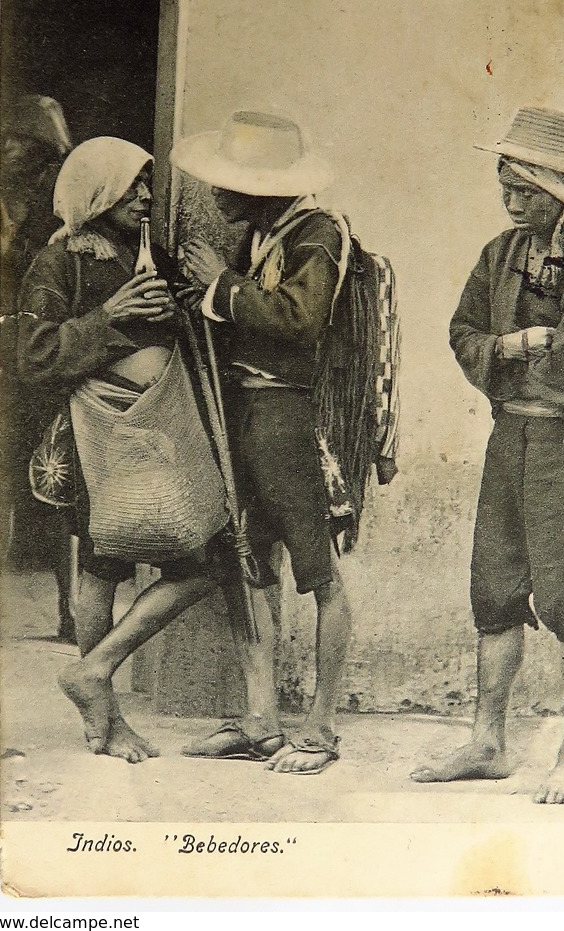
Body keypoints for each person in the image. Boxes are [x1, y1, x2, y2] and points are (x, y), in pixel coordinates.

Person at [411, 107, 564, 804]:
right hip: (507, 436)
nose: (511, 200)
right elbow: (464, 330)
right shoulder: (500, 253)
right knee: (495, 591)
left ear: (561, 187)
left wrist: (531, 353)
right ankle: (487, 742)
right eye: (503, 184)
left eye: (525, 188)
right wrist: (511, 347)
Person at [18, 137, 219, 762]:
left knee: (199, 560)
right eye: (132, 187)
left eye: (147, 186)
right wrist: (106, 316)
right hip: (95, 430)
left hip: (157, 428)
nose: (145, 197)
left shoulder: (149, 256)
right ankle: (106, 719)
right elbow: (32, 356)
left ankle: (95, 671)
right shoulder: (58, 265)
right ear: (98, 193)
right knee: (102, 563)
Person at [171, 110, 354, 775]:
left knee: (317, 572)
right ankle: (260, 719)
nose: (214, 194)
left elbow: (298, 320)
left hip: (286, 417)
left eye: (229, 182)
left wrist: (221, 283)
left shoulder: (318, 235)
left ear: (264, 186)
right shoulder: (265, 235)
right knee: (247, 560)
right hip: (245, 411)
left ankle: (323, 726)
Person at [0, 95, 76, 639]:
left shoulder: (58, 203)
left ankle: (70, 608)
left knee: (56, 477)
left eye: (18, 142)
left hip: (40, 351)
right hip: (5, 350)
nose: (6, 150)